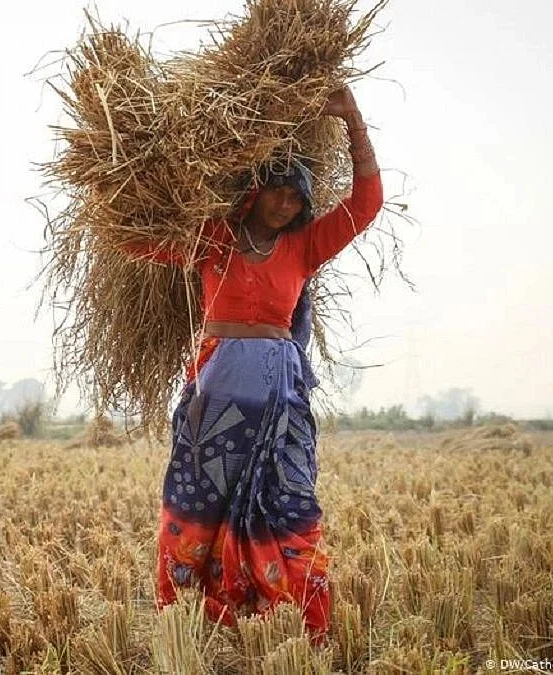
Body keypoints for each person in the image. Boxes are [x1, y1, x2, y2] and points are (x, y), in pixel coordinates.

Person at [131, 86, 381, 643]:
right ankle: (189, 615)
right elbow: (139, 239)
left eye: (298, 197)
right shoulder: (211, 239)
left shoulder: (305, 246)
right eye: (279, 191)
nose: (287, 204)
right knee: (199, 497)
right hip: (215, 392)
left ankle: (294, 618)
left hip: (281, 398)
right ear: (256, 190)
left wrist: (353, 122)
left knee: (289, 498)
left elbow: (366, 206)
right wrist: (127, 168)